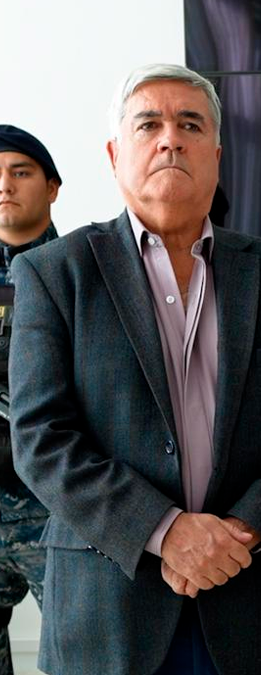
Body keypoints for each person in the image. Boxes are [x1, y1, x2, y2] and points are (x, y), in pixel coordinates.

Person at [8, 64, 261, 675]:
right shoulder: (54, 274)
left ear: (217, 156)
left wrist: (244, 531)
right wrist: (165, 531)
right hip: (111, 608)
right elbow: (42, 438)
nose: (170, 138)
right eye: (149, 125)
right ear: (116, 155)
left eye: (191, 125)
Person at [0, 124, 61, 675]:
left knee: (81, 654)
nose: (4, 185)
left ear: (52, 187)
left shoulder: (83, 270)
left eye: (20, 172)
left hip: (56, 511)